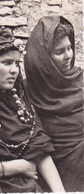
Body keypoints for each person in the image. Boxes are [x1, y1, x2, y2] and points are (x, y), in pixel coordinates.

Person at [0, 29, 66, 193]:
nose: (14, 70)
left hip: (29, 187)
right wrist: (17, 167)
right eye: (6, 63)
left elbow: (40, 150)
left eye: (16, 63)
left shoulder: (20, 104)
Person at [24, 15, 84, 192]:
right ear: (44, 59)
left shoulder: (81, 80)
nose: (68, 56)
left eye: (70, 48)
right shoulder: (27, 91)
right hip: (52, 177)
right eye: (59, 52)